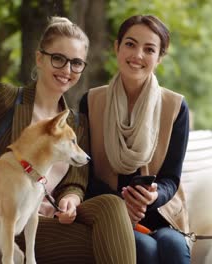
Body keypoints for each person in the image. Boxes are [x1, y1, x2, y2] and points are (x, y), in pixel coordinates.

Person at [0, 16, 135, 264]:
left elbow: (76, 183)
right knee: (110, 244)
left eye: (76, 63)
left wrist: (69, 201)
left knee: (111, 205)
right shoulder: (8, 101)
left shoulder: (75, 123)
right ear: (40, 58)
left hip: (46, 225)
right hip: (2, 227)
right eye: (58, 58)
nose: (66, 70)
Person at [79, 15, 190, 264]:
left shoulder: (175, 106)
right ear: (117, 47)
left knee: (173, 246)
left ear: (159, 57)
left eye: (149, 49)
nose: (137, 55)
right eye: (130, 44)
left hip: (160, 212)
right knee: (145, 248)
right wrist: (121, 205)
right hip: (109, 212)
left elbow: (172, 178)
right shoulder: (92, 101)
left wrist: (153, 197)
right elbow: (84, 172)